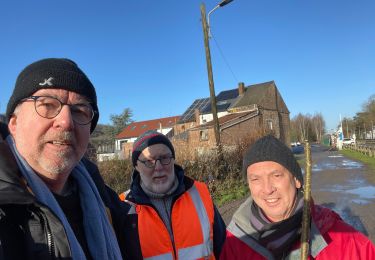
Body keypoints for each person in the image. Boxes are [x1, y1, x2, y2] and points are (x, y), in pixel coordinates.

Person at [0, 58, 128, 259]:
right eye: (47, 105)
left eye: (79, 110)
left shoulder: (110, 204)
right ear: (14, 124)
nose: (66, 122)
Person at [220, 135, 375, 260]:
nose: (267, 189)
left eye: (276, 175)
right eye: (255, 179)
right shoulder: (235, 243)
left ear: (296, 180)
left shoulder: (346, 242)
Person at [117, 130, 226, 259]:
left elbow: (225, 248)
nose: (158, 167)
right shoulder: (122, 206)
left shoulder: (199, 194)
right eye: (149, 161)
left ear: (173, 159)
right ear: (136, 166)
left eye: (164, 158)